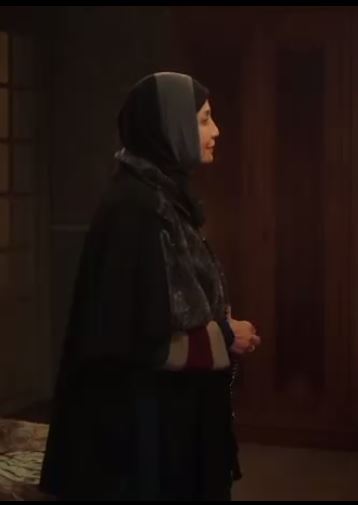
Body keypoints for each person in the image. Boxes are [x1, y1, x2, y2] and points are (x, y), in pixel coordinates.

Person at [39, 72, 261, 500]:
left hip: (171, 412)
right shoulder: (137, 208)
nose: (216, 130)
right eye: (204, 119)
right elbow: (135, 334)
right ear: (170, 128)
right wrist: (225, 335)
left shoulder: (165, 198)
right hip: (144, 425)